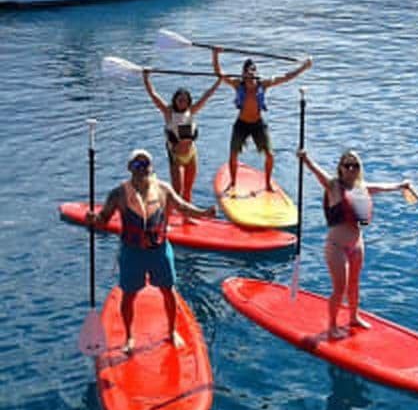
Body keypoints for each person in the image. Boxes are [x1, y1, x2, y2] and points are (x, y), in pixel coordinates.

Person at [86, 149, 216, 354]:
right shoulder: (119, 194)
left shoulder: (163, 189)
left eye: (145, 165)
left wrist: (204, 213)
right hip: (132, 252)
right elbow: (103, 219)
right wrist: (93, 219)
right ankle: (129, 337)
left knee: (168, 291)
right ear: (130, 168)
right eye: (137, 166)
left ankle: (171, 331)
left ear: (151, 167)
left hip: (159, 251)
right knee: (129, 295)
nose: (142, 170)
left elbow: (182, 207)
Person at [297, 148, 418, 339]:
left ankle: (354, 317)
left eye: (355, 165)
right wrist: (306, 159)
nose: (351, 168)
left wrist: (401, 186)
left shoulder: (362, 187)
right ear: (341, 168)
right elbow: (316, 172)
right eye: (347, 165)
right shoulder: (333, 186)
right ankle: (332, 327)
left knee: (354, 285)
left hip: (357, 246)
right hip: (337, 247)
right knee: (340, 288)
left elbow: (384, 187)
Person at [213, 48, 312, 193]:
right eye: (248, 71)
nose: (252, 73)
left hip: (258, 124)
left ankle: (267, 184)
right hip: (241, 124)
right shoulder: (237, 84)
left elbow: (285, 77)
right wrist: (215, 55)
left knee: (270, 155)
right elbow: (219, 74)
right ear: (243, 73)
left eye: (254, 70)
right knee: (233, 154)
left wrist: (304, 67)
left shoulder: (263, 84)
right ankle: (233, 183)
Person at [142, 69, 221, 208]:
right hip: (176, 157)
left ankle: (186, 217)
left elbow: (207, 95)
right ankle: (168, 215)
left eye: (185, 100)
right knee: (177, 190)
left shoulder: (192, 111)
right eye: (180, 100)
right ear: (175, 100)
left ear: (189, 101)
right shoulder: (168, 112)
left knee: (188, 190)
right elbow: (153, 95)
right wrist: (146, 77)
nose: (182, 102)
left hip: (191, 155)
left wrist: (219, 80)